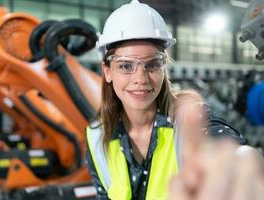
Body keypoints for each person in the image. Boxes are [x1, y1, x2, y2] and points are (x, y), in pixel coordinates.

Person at [85, 1, 262, 199]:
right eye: (126, 66)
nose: (140, 79)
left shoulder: (188, 121)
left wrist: (241, 162)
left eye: (152, 65)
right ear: (107, 71)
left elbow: (225, 147)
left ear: (164, 67)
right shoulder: (96, 137)